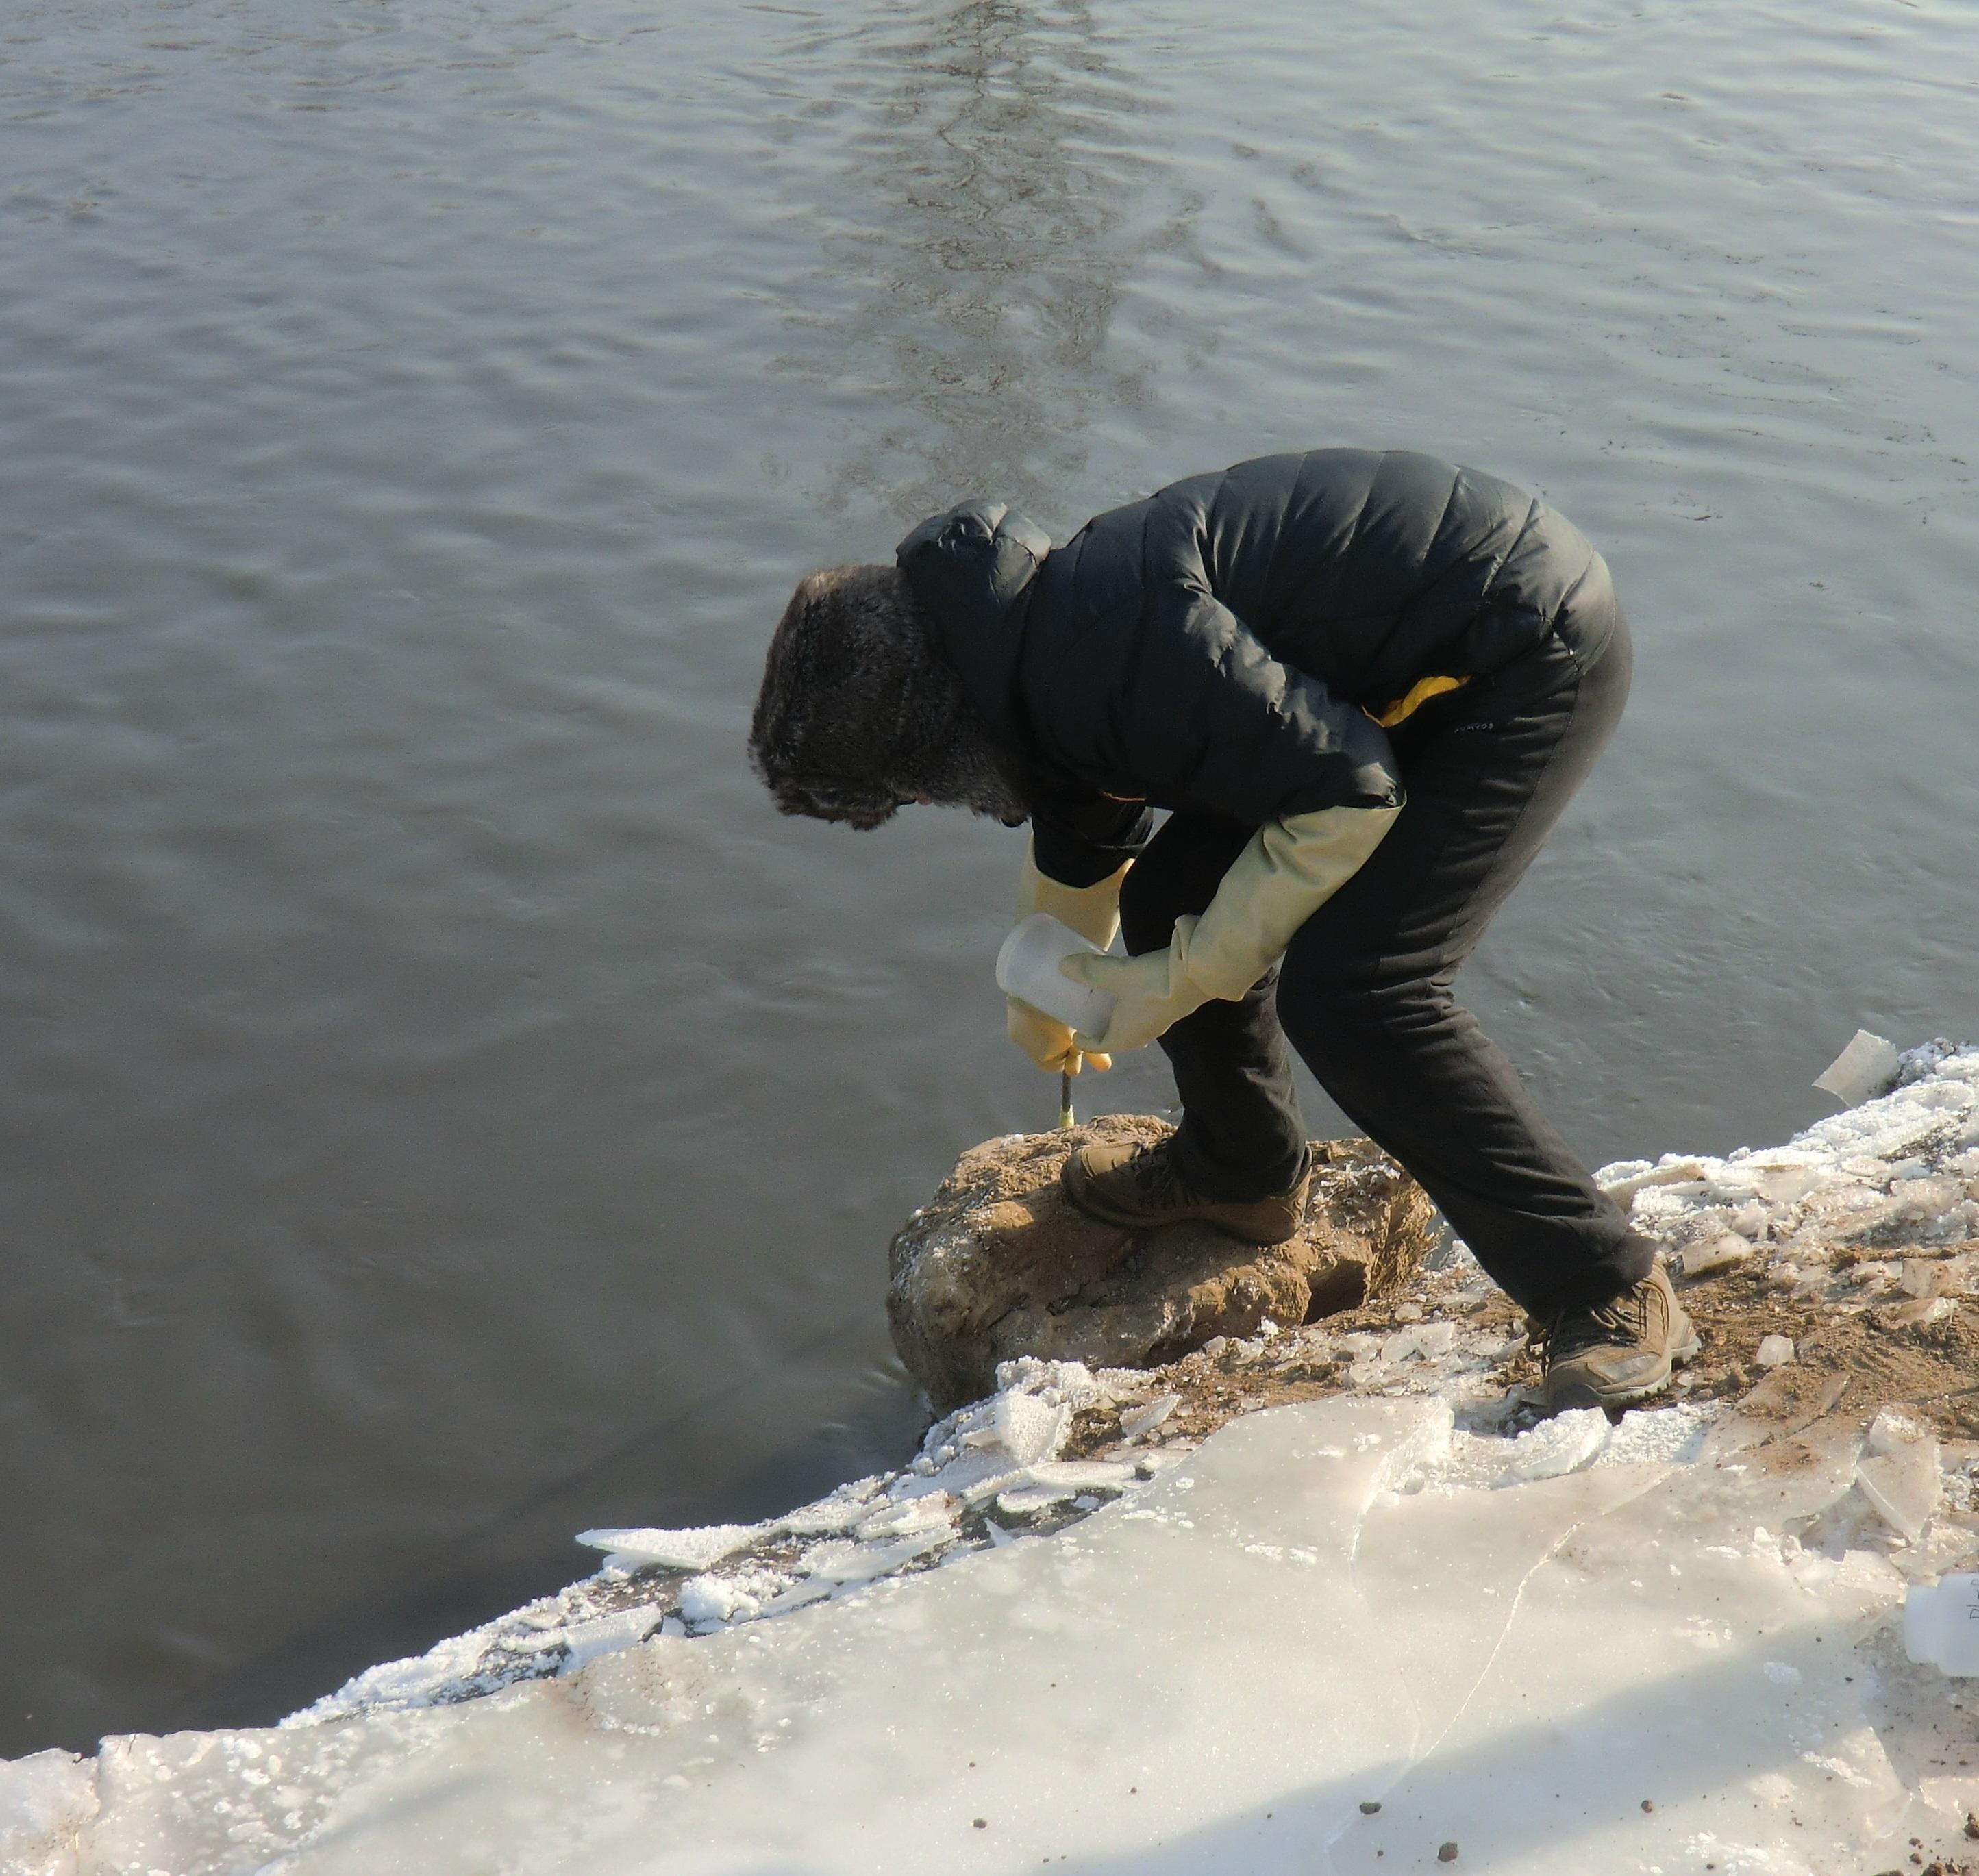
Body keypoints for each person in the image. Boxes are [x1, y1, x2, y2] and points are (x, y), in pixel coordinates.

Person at [748, 448, 1695, 1411]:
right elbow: (1086, 832)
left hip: (1516, 648)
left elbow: (1346, 794)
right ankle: (1240, 1171)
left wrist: (1181, 977)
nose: (927, 800)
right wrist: (1042, 978)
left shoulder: (1111, 656)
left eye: (907, 789)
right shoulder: (1017, 650)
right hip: (1385, 677)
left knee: (1363, 991)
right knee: (1170, 895)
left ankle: (1607, 1288)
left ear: (926, 735)